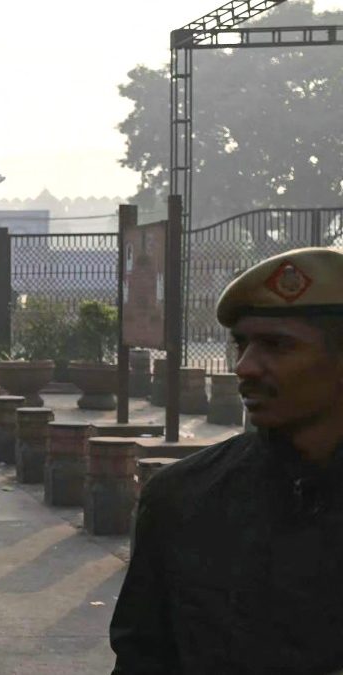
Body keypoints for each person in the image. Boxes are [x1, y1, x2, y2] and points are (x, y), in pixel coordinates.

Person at [110, 247, 343, 673]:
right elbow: (143, 659)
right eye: (241, 343)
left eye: (277, 345)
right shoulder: (182, 499)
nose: (245, 366)